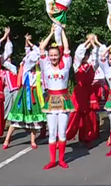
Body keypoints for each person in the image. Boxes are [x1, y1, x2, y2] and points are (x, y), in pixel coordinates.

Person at [40, 25, 74, 170]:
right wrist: (51, 32)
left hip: (64, 100)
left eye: (55, 55)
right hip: (50, 101)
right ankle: (52, 160)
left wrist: (62, 31)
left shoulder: (66, 65)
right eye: (51, 55)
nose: (53, 57)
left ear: (59, 55)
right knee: (52, 131)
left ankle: (61, 159)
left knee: (62, 132)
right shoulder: (45, 66)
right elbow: (42, 48)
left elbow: (66, 49)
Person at [3, 34, 45, 150]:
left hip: (34, 92)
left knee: (33, 119)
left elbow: (33, 52)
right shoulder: (30, 59)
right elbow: (36, 53)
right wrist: (34, 45)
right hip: (25, 92)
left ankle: (32, 140)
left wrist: (27, 41)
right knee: (17, 117)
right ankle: (7, 140)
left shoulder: (37, 65)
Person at [65, 35, 100, 147]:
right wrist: (87, 42)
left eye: (86, 55)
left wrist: (94, 43)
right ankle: (65, 136)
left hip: (89, 92)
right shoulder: (76, 66)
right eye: (84, 55)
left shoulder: (92, 66)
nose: (84, 57)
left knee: (89, 116)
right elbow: (78, 53)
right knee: (73, 115)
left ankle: (87, 138)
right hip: (79, 92)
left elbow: (97, 56)